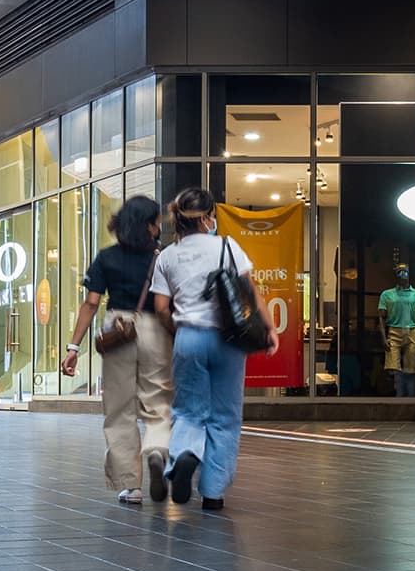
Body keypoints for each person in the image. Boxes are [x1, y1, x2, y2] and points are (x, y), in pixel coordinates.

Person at [150, 186, 265, 511]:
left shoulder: (168, 255)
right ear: (205, 218)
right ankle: (212, 493)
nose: (214, 220)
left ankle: (186, 454)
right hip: (228, 339)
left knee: (188, 410)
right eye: (212, 215)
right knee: (225, 417)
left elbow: (161, 307)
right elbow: (251, 294)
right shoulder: (228, 246)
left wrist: (178, 330)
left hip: (189, 337)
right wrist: (267, 331)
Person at [64, 195, 172, 505]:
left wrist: (74, 347)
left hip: (118, 329)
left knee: (119, 409)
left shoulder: (106, 257)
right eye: (156, 221)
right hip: (155, 328)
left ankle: (131, 485)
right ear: (150, 225)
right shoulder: (162, 256)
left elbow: (91, 303)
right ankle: (156, 450)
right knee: (157, 400)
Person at [379, 266, 415, 394]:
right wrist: (383, 337)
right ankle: (398, 398)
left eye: (405, 272)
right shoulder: (387, 294)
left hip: (412, 330)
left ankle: (411, 399)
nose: (402, 275)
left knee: (411, 368)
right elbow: (381, 317)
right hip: (394, 331)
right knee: (394, 368)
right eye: (399, 272)